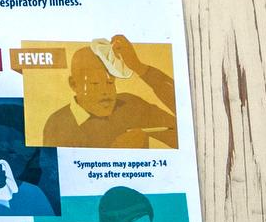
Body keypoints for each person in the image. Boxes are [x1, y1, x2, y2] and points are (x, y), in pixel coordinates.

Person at [41, 35, 176, 148]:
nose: (105, 92)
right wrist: (116, 153)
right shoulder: (58, 125)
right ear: (74, 84)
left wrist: (139, 67)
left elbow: (184, 129)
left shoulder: (131, 105)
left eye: (110, 82)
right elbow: (56, 175)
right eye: (94, 84)